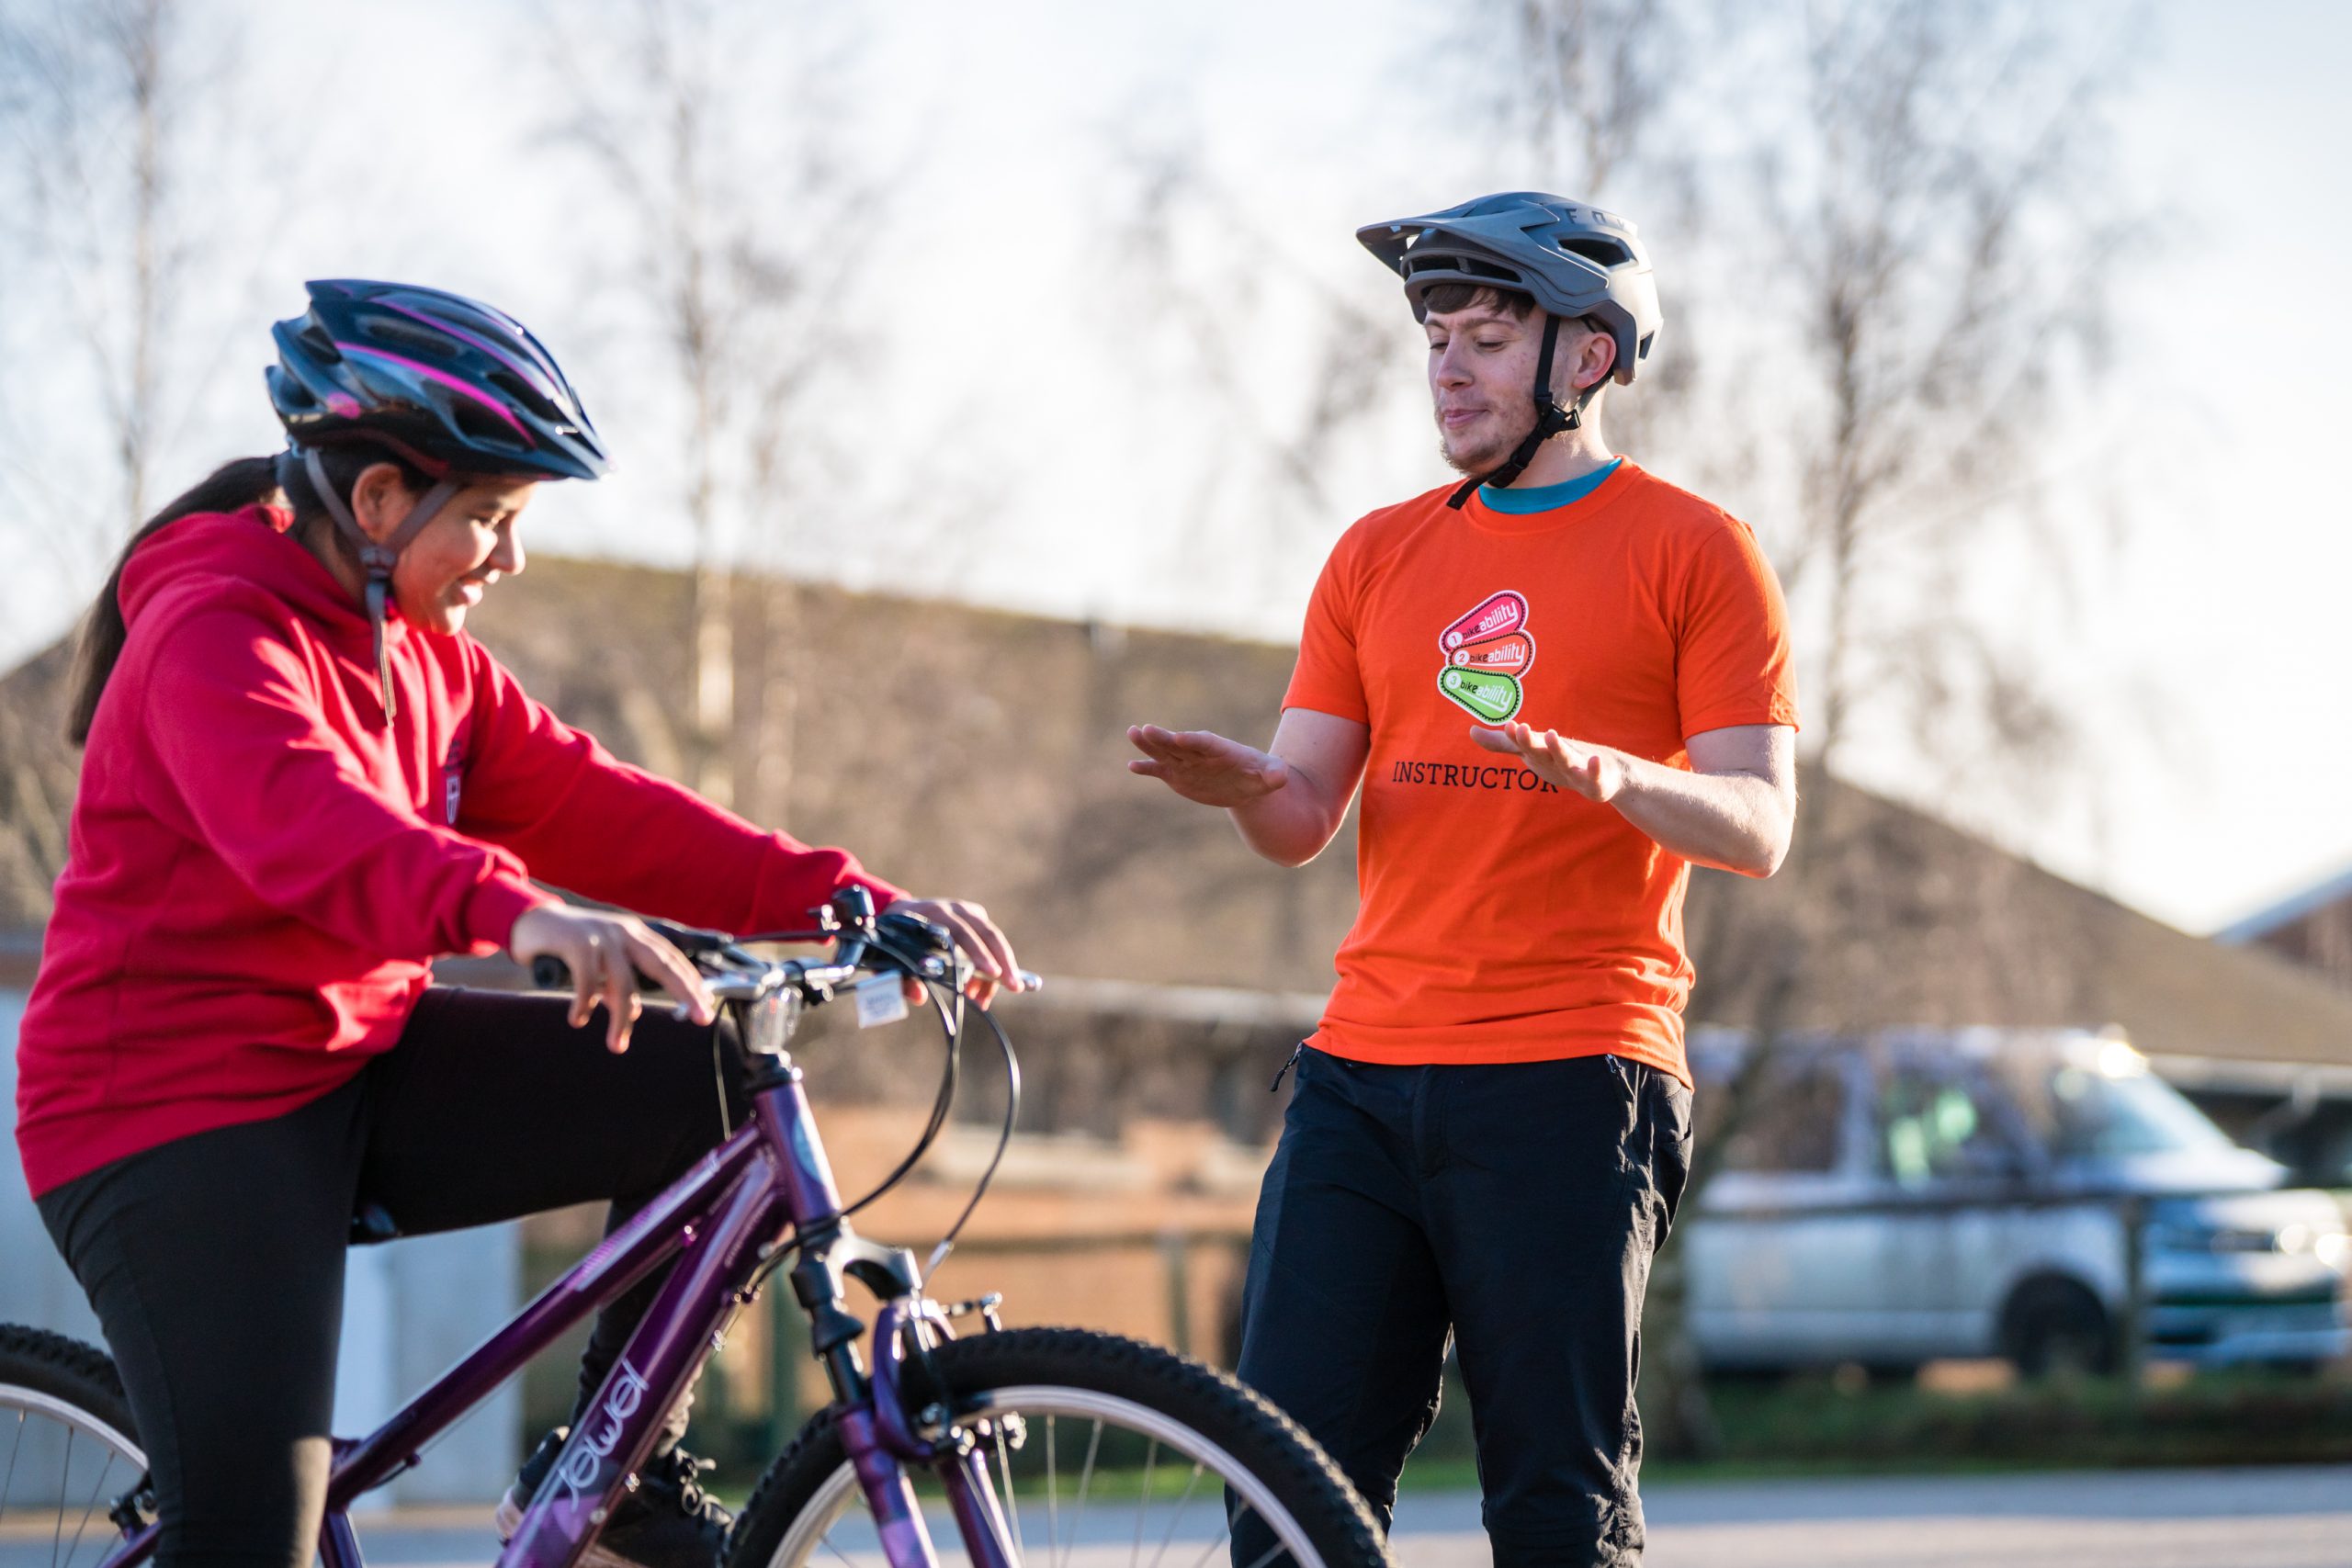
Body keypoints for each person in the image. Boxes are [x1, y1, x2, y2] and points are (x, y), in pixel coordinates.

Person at [14, 278, 1023, 1568]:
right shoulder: (213, 634)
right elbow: (313, 830)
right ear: (377, 501)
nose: (512, 557)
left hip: (354, 1064)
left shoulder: (429, 658)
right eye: (488, 517)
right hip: (168, 1113)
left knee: (708, 1082)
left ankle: (613, 1478)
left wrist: (856, 902)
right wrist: (519, 913)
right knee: (246, 1541)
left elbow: (603, 808)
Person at [1127, 194, 1799, 1566]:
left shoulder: (1695, 549)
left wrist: (1613, 775)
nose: (1448, 367)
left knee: (1556, 1513)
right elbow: (1307, 815)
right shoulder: (1377, 554)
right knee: (1281, 1503)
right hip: (1360, 1083)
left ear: (1589, 360)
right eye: (1438, 336)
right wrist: (1254, 787)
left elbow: (1758, 822)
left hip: (1573, 1078)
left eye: (1487, 336)